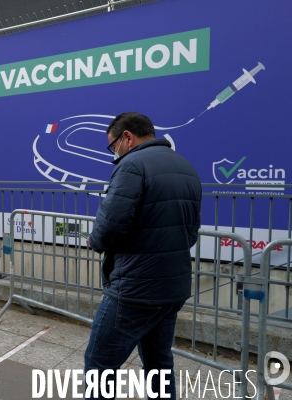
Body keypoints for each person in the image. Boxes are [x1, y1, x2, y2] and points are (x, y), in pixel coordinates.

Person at [83, 112, 202, 399]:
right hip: (172, 287)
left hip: (135, 289)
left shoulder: (132, 166)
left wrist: (94, 240)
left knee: (99, 365)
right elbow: (191, 233)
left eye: (113, 147)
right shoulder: (185, 166)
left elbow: (109, 226)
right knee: (159, 366)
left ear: (127, 138)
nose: (114, 154)